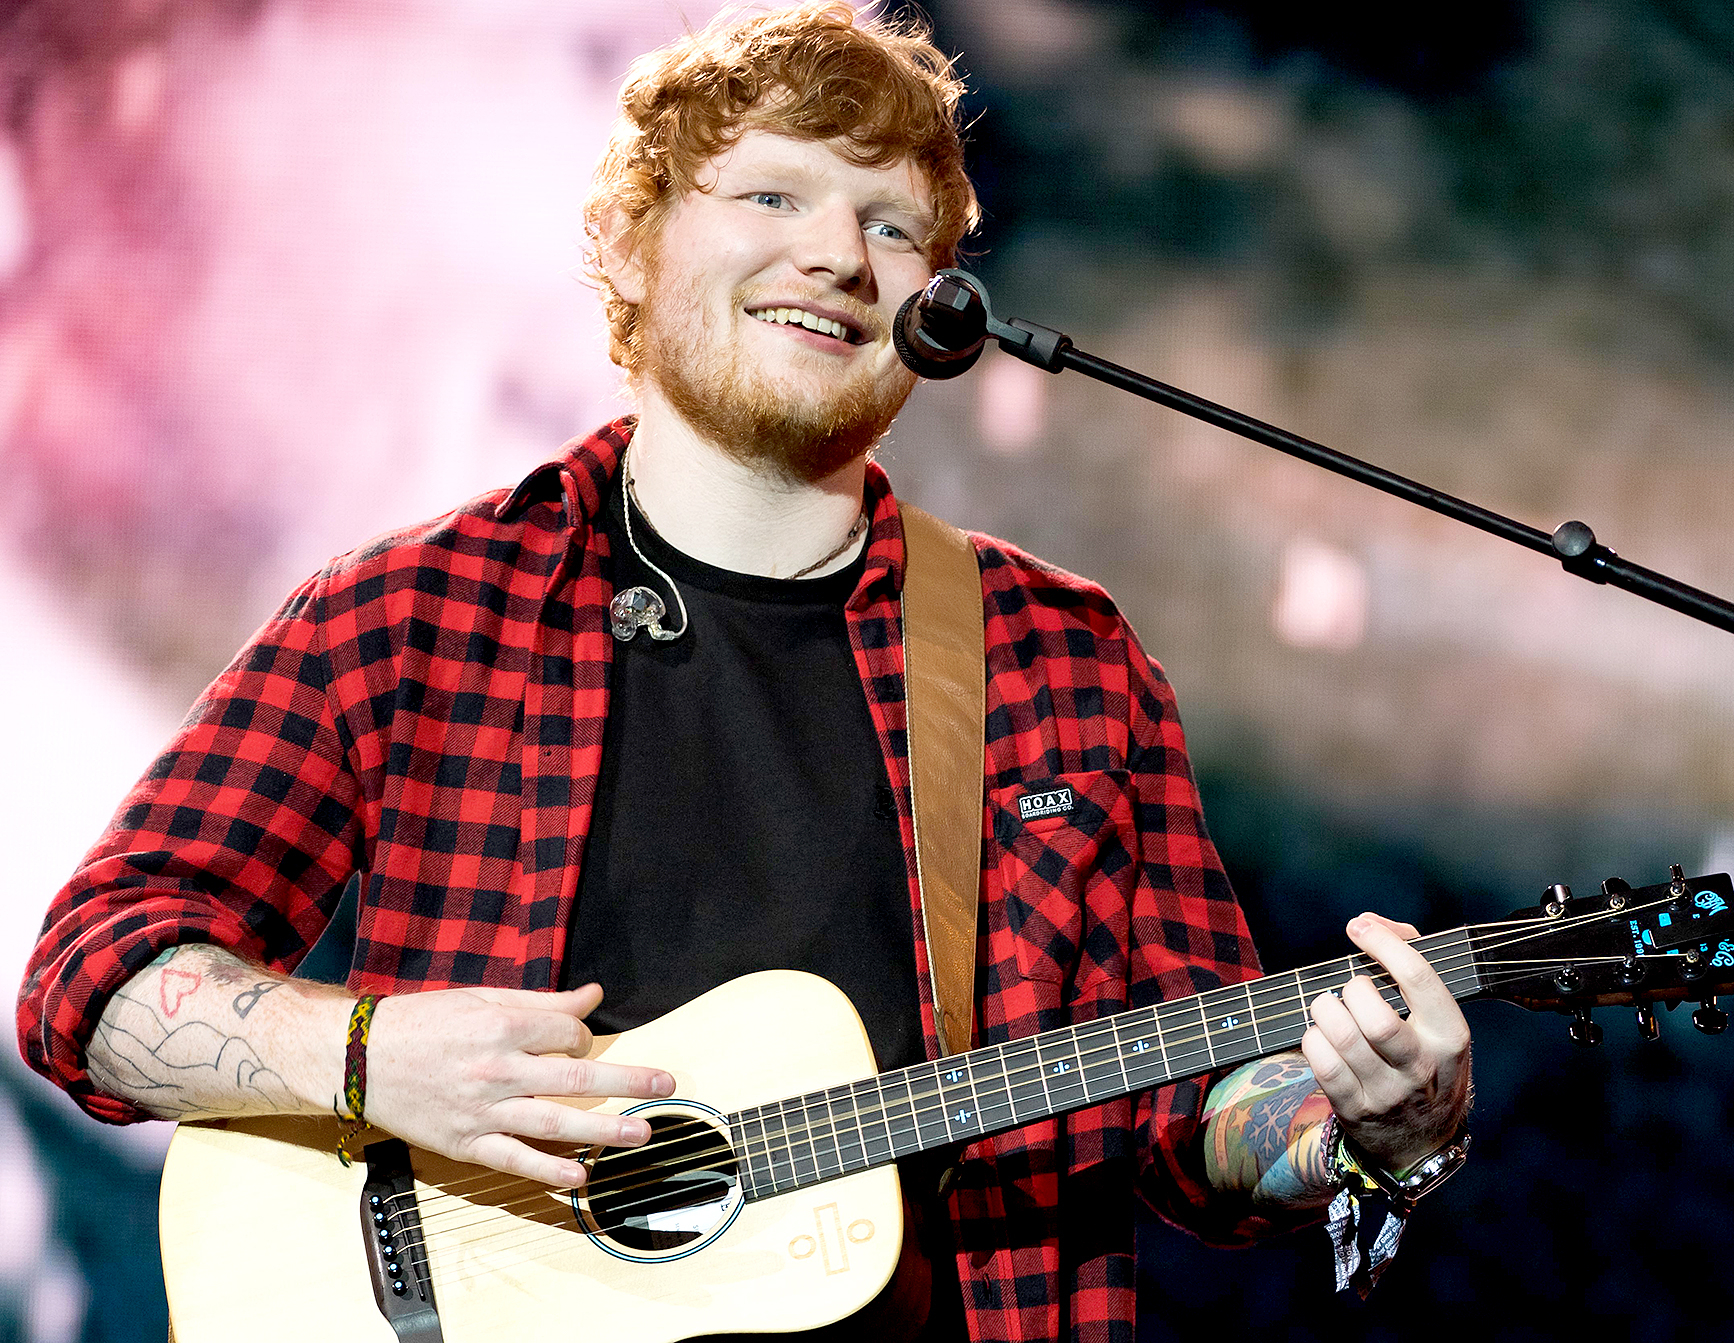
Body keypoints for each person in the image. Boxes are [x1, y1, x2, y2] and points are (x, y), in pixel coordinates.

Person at [16, 5, 1472, 1339]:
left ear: (940, 314)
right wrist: (366, 1057)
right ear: (641, 249)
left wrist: (1368, 1126)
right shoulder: (408, 615)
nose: (839, 253)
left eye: (895, 227)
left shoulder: (1062, 660)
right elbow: (90, 980)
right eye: (773, 195)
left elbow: (1199, 1132)